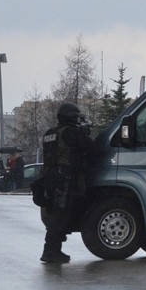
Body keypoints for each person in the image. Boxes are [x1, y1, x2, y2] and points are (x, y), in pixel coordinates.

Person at [40, 103, 95, 263]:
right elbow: (91, 148)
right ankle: (50, 251)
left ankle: (53, 249)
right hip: (64, 177)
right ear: (73, 117)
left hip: (49, 177)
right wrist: (85, 133)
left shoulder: (50, 133)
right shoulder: (71, 133)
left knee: (55, 214)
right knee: (60, 215)